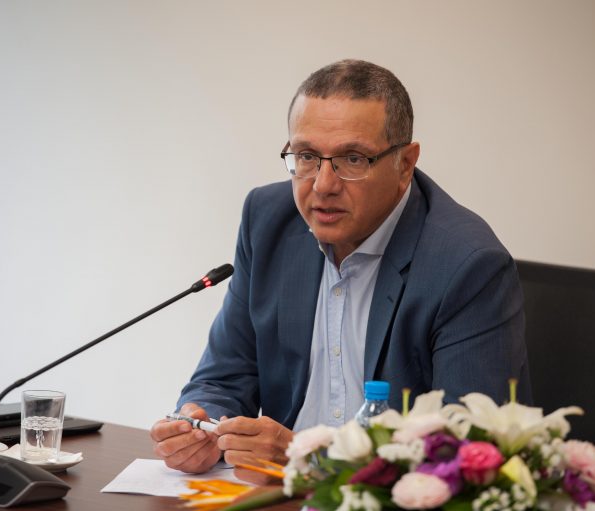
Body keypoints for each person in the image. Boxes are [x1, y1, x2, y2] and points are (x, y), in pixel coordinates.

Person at [150, 59, 530, 480]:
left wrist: (308, 458)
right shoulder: (267, 220)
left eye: (352, 159)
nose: (323, 185)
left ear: (405, 163)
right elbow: (224, 376)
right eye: (307, 156)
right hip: (275, 494)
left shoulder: (466, 265)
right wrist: (199, 424)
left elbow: (471, 454)